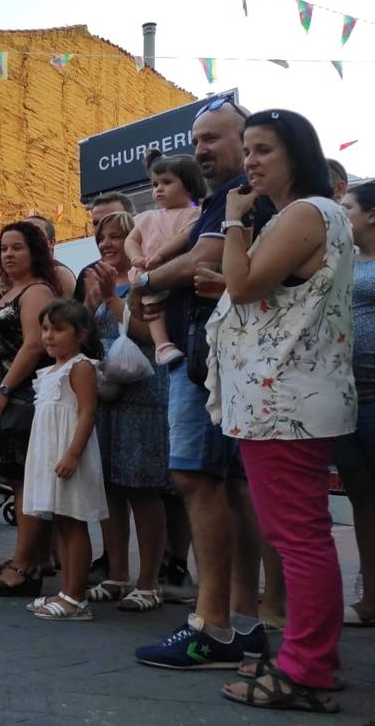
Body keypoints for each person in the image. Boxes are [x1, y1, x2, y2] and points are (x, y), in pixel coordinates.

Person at [206, 110, 352, 713]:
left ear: (298, 153)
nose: (251, 162)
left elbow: (239, 285)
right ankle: (314, 659)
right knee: (303, 534)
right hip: (291, 398)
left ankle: (306, 671)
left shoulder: (303, 213)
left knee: (298, 537)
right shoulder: (325, 215)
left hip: (283, 400)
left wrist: (236, 222)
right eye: (248, 151)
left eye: (264, 149)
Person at [133, 95, 266, 670]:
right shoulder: (223, 203)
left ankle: (212, 627)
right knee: (225, 484)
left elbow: (198, 263)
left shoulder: (242, 203)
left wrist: (143, 283)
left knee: (198, 477)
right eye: (196, 141)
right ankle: (241, 620)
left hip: (215, 363)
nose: (202, 150)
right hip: (212, 361)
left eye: (213, 137)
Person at [84, 211, 172, 613]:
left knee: (142, 488)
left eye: (116, 236)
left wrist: (111, 300)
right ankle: (116, 574)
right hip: (107, 396)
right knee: (110, 488)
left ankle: (149, 582)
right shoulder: (99, 281)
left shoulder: (148, 279)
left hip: (145, 393)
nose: (107, 244)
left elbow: (147, 335)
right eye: (102, 238)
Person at [0, 222, 58, 595]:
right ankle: (30, 560)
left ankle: (26, 566)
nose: (8, 254)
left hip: (23, 398)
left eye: (17, 248)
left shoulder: (38, 290)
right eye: (4, 248)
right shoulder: (10, 292)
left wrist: (5, 388)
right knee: (15, 478)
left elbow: (33, 345)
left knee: (26, 482)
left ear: (34, 252)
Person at [21, 300, 106, 620]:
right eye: (45, 329)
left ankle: (76, 596)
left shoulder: (81, 367)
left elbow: (87, 412)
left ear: (80, 334)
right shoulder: (50, 371)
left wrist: (73, 453)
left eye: (58, 330)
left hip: (70, 454)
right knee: (61, 522)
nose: (49, 336)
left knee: (74, 523)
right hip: (51, 455)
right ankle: (66, 589)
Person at [125, 152, 207, 366]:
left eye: (166, 182)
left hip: (176, 271)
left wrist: (160, 255)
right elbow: (131, 240)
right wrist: (136, 257)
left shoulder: (195, 214)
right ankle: (162, 346)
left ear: (189, 185)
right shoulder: (146, 217)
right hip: (149, 270)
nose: (158, 189)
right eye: (154, 184)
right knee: (152, 304)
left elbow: (185, 237)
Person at [340, 182, 375, 628]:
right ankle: (370, 595)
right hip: (350, 398)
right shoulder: (343, 261)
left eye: (348, 208)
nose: (342, 214)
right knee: (363, 500)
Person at [73, 193, 136, 303]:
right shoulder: (88, 274)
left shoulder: (151, 268)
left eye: (112, 219)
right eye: (97, 223)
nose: (103, 227)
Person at [26, 215, 77, 298]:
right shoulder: (12, 274)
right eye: (23, 232)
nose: (28, 238)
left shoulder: (60, 275)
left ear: (51, 243)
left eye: (35, 233)